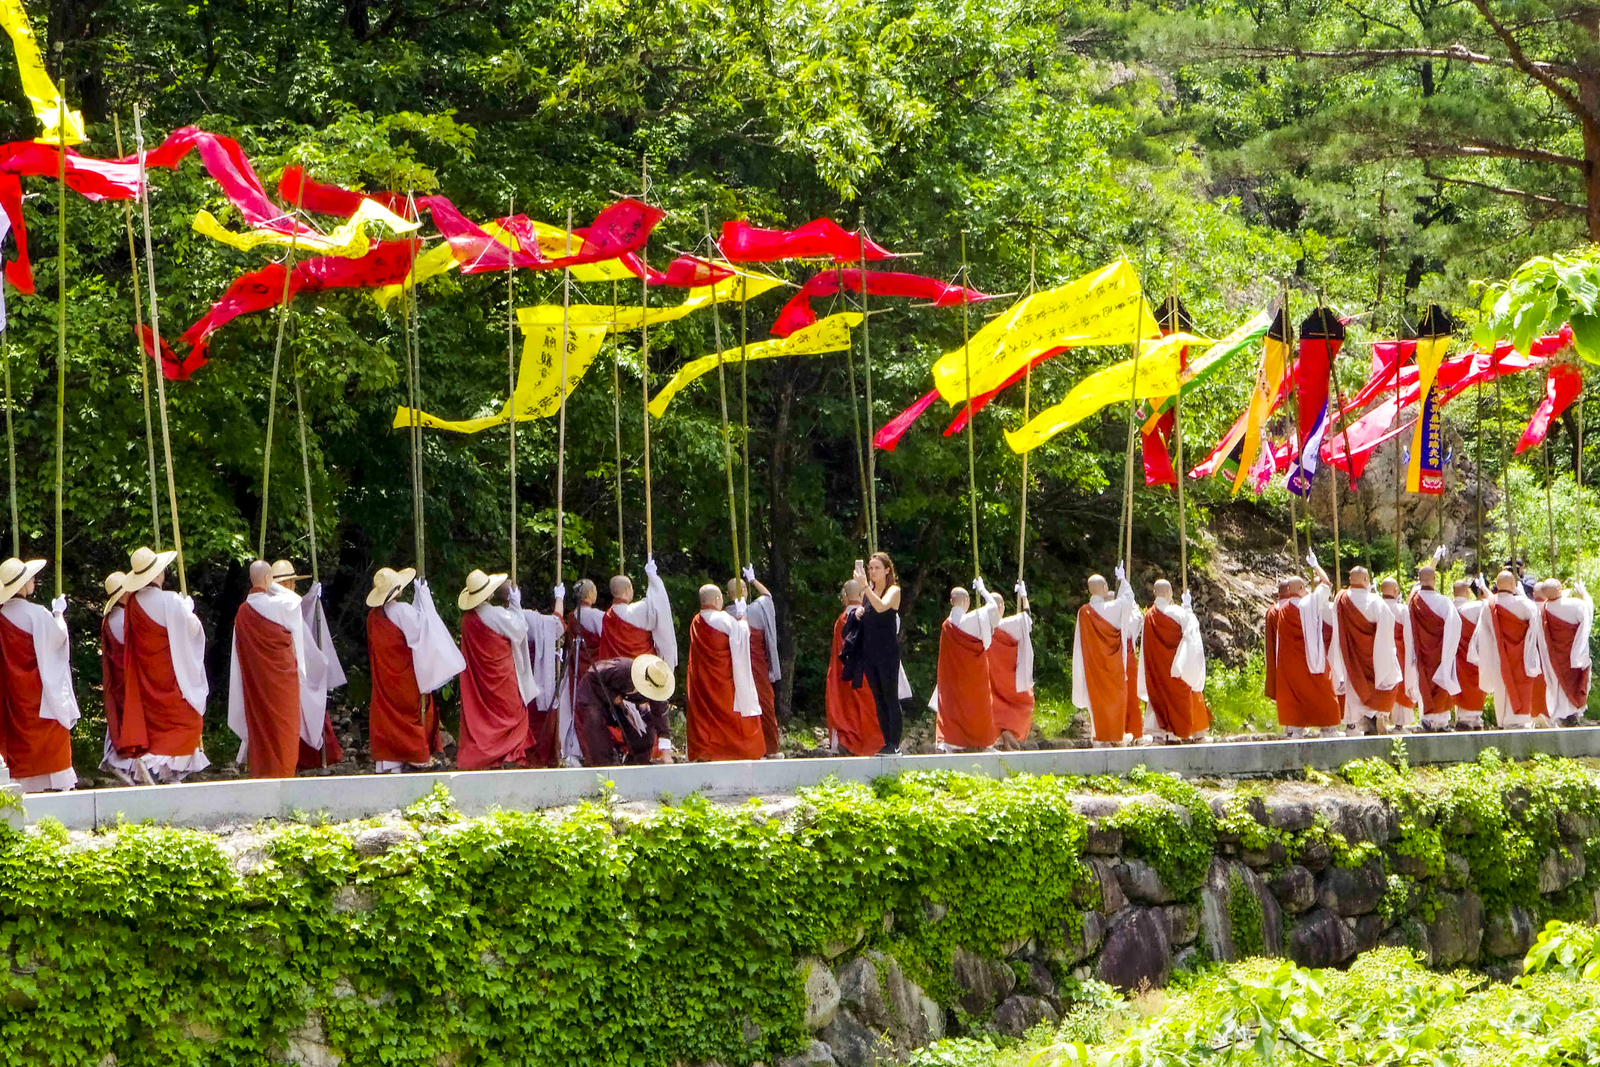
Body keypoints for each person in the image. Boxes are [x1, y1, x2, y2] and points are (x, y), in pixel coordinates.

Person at [121, 546, 209, 782]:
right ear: (158, 573)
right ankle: (155, 764)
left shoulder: (133, 603)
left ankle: (165, 773)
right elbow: (193, 631)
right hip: (172, 673)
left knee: (157, 724)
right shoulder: (170, 600)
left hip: (147, 673)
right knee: (188, 721)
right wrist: (188, 611)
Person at [366, 566, 462, 773]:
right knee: (412, 713)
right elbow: (424, 632)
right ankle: (417, 756)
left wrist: (420, 601)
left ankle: (389, 762)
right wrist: (424, 600)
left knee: (387, 715)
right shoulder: (402, 611)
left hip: (384, 674)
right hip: (404, 675)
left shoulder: (373, 616)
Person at [0, 558, 78, 791]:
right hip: (40, 690)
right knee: (52, 730)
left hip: (12, 691)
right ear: (22, 585)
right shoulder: (37, 613)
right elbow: (58, 640)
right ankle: (54, 783)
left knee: (16, 736)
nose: (34, 580)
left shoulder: (2, 616)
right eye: (30, 578)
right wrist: (58, 614)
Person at [228, 560, 309, 779]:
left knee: (261, 726)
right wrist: (271, 584)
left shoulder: (242, 612)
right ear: (268, 579)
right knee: (285, 729)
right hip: (283, 682)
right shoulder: (282, 606)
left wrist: (265, 582)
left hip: (255, 681)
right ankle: (284, 774)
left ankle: (262, 773)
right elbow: (295, 600)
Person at [270, 560, 348, 772]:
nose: (294, 586)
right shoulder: (287, 606)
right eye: (292, 582)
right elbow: (305, 645)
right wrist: (321, 663)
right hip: (292, 670)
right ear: (285, 584)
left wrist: (312, 597)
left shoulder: (265, 607)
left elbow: (300, 611)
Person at [456, 570, 538, 769]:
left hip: (480, 677)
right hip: (501, 675)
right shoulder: (494, 614)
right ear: (489, 594)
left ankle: (490, 757)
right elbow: (520, 629)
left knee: (484, 716)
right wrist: (516, 603)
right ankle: (509, 756)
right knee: (513, 713)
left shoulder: (466, 619)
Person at [685, 583, 763, 761]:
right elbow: (742, 636)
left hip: (703, 679)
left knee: (704, 715)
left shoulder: (696, 621)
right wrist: (742, 615)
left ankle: (705, 752)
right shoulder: (722, 619)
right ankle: (735, 751)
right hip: (723, 680)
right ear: (717, 600)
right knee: (730, 713)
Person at [1263, 562, 1340, 736]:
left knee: (1295, 695)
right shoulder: (1308, 603)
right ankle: (1328, 727)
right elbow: (1327, 584)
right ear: (1301, 588)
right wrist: (1316, 566)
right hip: (1311, 660)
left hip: (1290, 663)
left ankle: (1296, 729)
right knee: (1322, 692)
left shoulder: (1282, 610)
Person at [1072, 566, 1142, 746]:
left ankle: (1100, 736)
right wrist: (1123, 580)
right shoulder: (1110, 608)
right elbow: (1128, 599)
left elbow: (1080, 641)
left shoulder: (1083, 612)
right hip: (1113, 664)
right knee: (1117, 698)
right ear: (1104, 588)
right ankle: (1115, 737)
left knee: (1097, 701)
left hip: (1093, 664)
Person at [1328, 565, 1401, 735]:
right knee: (1383, 683)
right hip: (1373, 655)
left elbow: (1336, 626)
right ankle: (1376, 715)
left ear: (1350, 579)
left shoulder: (1341, 598)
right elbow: (1386, 629)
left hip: (1350, 654)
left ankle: (1352, 724)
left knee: (1352, 685)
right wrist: (1385, 656)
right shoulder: (1375, 601)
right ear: (1367, 580)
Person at [931, 579, 1001, 751]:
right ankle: (983, 741)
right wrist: (983, 589)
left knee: (953, 707)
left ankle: (951, 742)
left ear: (951, 601)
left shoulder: (946, 625)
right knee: (978, 706)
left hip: (953, 675)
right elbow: (994, 607)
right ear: (967, 601)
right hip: (973, 674)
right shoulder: (972, 619)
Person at [1138, 579, 1209, 743]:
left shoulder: (1148, 616)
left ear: (1154, 593)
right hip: (1176, 668)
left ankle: (1159, 734)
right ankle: (1185, 733)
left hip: (1156, 669)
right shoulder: (1177, 612)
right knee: (1184, 695)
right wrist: (1188, 609)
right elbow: (1192, 633)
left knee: (1158, 698)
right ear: (1169, 593)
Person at [1469, 570, 1544, 728]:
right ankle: (1520, 721)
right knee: (1521, 686)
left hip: (1498, 656)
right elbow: (1535, 627)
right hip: (1522, 656)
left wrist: (1487, 658)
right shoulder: (1524, 604)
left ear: (1496, 585)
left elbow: (1484, 634)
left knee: (1501, 688)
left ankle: (1503, 722)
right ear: (1513, 585)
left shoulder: (1488, 606)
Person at [573, 654, 674, 766]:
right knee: (594, 722)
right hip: (594, 694)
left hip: (625, 703)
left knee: (646, 721)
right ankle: (604, 767)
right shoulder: (622, 668)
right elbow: (592, 673)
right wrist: (613, 696)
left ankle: (636, 764)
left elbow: (660, 716)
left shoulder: (659, 687)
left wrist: (666, 753)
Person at [99, 570, 151, 784]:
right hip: (127, 676)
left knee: (120, 720)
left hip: (119, 676)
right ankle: (126, 763)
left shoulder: (111, 618)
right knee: (131, 721)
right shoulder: (121, 618)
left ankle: (128, 765)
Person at [851, 552, 905, 755]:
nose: (872, 571)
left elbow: (881, 607)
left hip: (887, 652)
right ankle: (886, 741)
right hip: (869, 652)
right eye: (870, 568)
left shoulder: (893, 590)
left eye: (877, 568)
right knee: (878, 698)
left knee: (890, 696)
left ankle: (894, 743)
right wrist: (858, 613)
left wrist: (865, 586)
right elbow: (869, 613)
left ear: (887, 570)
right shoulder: (868, 592)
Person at [827, 580, 883, 756]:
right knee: (869, 709)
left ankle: (846, 740)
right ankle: (873, 743)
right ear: (862, 595)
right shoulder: (871, 616)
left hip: (843, 674)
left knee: (846, 709)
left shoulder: (841, 620)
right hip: (866, 674)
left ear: (844, 596)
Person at [1405, 565, 1462, 732]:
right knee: (1441, 682)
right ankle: (1442, 722)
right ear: (1435, 580)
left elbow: (1408, 627)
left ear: (1418, 580)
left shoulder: (1413, 601)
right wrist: (1448, 649)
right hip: (1440, 652)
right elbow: (1455, 624)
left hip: (1421, 652)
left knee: (1423, 683)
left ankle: (1427, 720)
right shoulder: (1444, 602)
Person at [733, 567, 782, 757]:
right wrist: (753, 580)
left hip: (738, 671)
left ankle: (747, 747)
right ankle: (770, 748)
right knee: (764, 704)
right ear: (745, 591)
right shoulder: (758, 609)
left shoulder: (727, 614)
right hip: (758, 668)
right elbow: (767, 596)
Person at [597, 559, 678, 672]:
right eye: (631, 588)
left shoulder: (608, 616)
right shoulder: (635, 611)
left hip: (615, 673)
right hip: (640, 672)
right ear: (627, 591)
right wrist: (653, 578)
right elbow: (659, 605)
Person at [520, 583, 567, 768]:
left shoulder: (505, 616)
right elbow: (557, 625)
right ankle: (536, 757)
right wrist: (559, 598)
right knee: (534, 716)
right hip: (532, 674)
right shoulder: (526, 617)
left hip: (520, 674)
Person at [1535, 578, 1592, 727]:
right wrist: (1583, 593)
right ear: (1559, 589)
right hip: (1573, 655)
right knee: (1573, 684)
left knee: (1559, 685)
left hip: (1553, 657)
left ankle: (1564, 716)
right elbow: (1588, 610)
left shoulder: (1543, 610)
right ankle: (1572, 715)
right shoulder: (1574, 604)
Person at [561, 579, 605, 766]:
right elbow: (607, 639)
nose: (596, 594)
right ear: (588, 594)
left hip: (576, 668)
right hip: (593, 667)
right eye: (594, 591)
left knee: (575, 707)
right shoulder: (597, 616)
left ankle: (574, 750)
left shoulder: (572, 616)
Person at [988, 583, 1035, 751]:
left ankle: (1001, 735)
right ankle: (1008, 733)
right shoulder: (1011, 624)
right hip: (1012, 680)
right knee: (1020, 705)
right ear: (1002, 606)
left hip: (991, 680)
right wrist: (1024, 596)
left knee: (992, 706)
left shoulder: (981, 629)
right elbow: (1027, 618)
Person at [1379, 577, 1415, 728]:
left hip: (1378, 654)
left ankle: (1380, 717)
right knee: (1401, 686)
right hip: (1399, 653)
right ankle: (1399, 725)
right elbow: (1409, 635)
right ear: (1395, 590)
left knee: (1380, 685)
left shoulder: (1376, 605)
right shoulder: (1401, 609)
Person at [1451, 578, 1487, 729]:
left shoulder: (1447, 608)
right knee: (1474, 683)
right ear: (1467, 591)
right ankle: (1474, 718)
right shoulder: (1475, 607)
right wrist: (1482, 588)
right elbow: (1489, 604)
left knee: (1458, 684)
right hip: (1470, 655)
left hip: (1453, 655)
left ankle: (1462, 717)